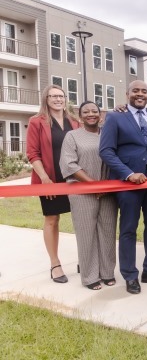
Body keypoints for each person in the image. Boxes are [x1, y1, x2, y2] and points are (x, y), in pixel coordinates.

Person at [99, 80, 147, 294]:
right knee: (129, 229)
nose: (140, 94)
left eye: (144, 91)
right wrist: (129, 174)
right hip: (128, 184)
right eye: (135, 91)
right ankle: (130, 275)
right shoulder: (115, 117)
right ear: (127, 93)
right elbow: (106, 151)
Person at [59, 101, 117, 290]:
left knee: (108, 232)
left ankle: (107, 272)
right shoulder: (72, 136)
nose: (91, 114)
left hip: (108, 192)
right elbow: (69, 164)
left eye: (94, 111)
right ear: (80, 116)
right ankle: (90, 276)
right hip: (82, 191)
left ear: (100, 115)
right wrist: (93, 185)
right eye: (86, 111)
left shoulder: (108, 134)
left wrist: (103, 186)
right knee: (86, 234)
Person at [26, 84, 79, 284]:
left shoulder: (74, 121)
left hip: (74, 178)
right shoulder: (36, 122)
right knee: (52, 219)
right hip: (50, 179)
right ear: (46, 99)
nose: (58, 99)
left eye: (61, 96)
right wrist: (44, 178)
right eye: (53, 96)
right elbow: (32, 153)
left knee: (82, 219)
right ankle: (55, 264)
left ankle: (85, 258)